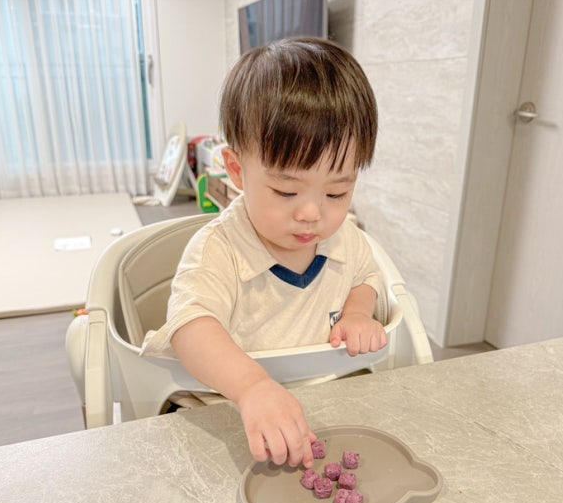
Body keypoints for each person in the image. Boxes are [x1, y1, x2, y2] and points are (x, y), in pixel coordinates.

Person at [141, 37, 387, 469]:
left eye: (336, 192)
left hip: (318, 405)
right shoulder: (219, 250)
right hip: (223, 413)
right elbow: (190, 326)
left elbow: (366, 276)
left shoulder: (344, 238)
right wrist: (253, 387)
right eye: (286, 191)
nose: (312, 213)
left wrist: (357, 313)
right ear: (237, 170)